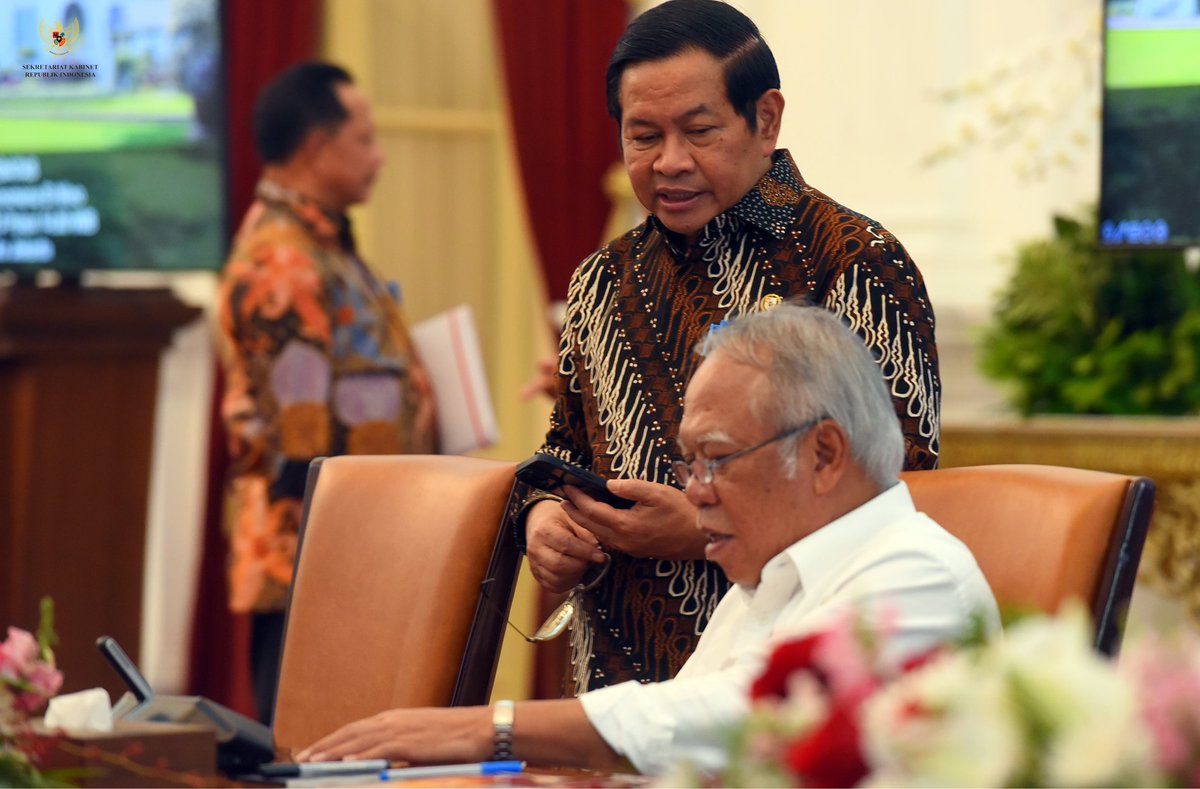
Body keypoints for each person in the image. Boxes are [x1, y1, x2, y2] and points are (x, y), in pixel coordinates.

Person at [296, 304, 998, 775]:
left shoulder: (920, 572)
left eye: (716, 459)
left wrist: (493, 727)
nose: (694, 490)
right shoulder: (773, 576)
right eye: (688, 463)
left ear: (822, 454)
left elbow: (742, 723)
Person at [516, 0, 943, 695]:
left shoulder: (851, 263)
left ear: (766, 118)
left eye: (700, 130)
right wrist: (543, 519)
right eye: (643, 135)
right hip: (617, 686)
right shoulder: (602, 280)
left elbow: (904, 494)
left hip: (789, 694)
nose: (670, 162)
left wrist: (699, 527)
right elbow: (562, 449)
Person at [215, 61, 437, 723]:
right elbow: (299, 440)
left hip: (345, 556)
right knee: (311, 755)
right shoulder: (282, 258)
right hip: (310, 564)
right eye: (365, 140)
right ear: (317, 148)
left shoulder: (323, 244)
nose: (381, 156)